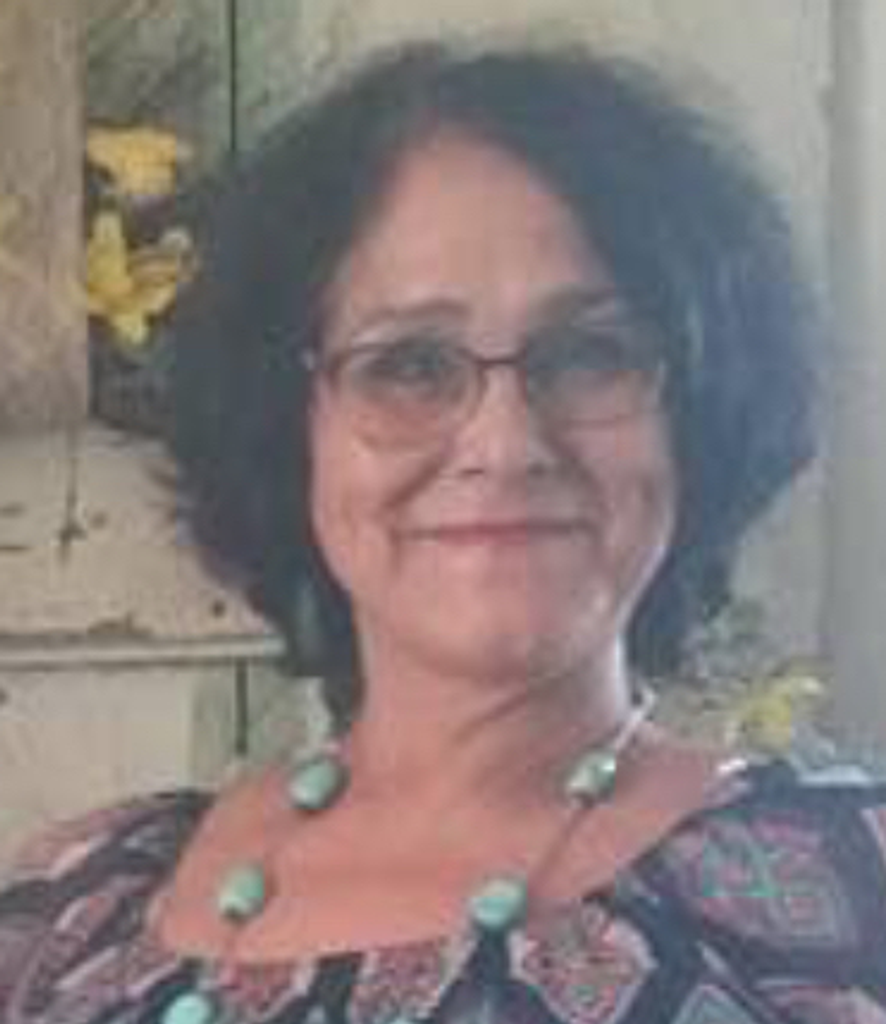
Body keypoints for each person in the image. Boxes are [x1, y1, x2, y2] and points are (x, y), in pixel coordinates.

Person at [1, 41, 884, 1024]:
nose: (504, 444)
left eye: (590, 353)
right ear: (288, 428)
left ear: (703, 410)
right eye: (409, 366)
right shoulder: (77, 908)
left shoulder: (845, 889)